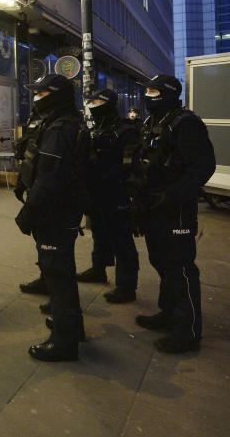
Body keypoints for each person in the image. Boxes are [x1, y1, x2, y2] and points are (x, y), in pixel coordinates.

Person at [129, 74, 216, 354]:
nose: (148, 95)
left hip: (176, 208)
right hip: (154, 206)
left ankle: (187, 331)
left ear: (167, 93)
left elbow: (202, 167)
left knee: (180, 267)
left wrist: (173, 195)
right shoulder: (152, 122)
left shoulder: (185, 123)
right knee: (161, 261)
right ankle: (168, 314)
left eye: (154, 91)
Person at [14, 74, 90, 361]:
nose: (36, 97)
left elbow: (50, 178)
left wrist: (28, 215)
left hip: (55, 213)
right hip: (61, 210)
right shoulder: (62, 122)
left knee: (58, 276)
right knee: (61, 273)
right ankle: (70, 326)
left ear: (55, 95)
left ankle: (64, 341)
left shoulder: (60, 128)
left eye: (42, 93)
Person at [78, 88, 140, 303]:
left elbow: (129, 167)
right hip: (96, 191)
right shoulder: (96, 127)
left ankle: (126, 286)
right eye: (90, 101)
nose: (92, 105)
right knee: (98, 232)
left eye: (96, 101)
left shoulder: (125, 130)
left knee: (121, 239)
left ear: (107, 103)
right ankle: (98, 269)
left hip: (116, 193)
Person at [15, 107, 50, 298]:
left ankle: (61, 302)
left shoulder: (59, 125)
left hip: (48, 191)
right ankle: (46, 278)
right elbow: (28, 152)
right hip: (34, 185)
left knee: (52, 245)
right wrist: (21, 181)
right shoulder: (38, 119)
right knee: (41, 238)